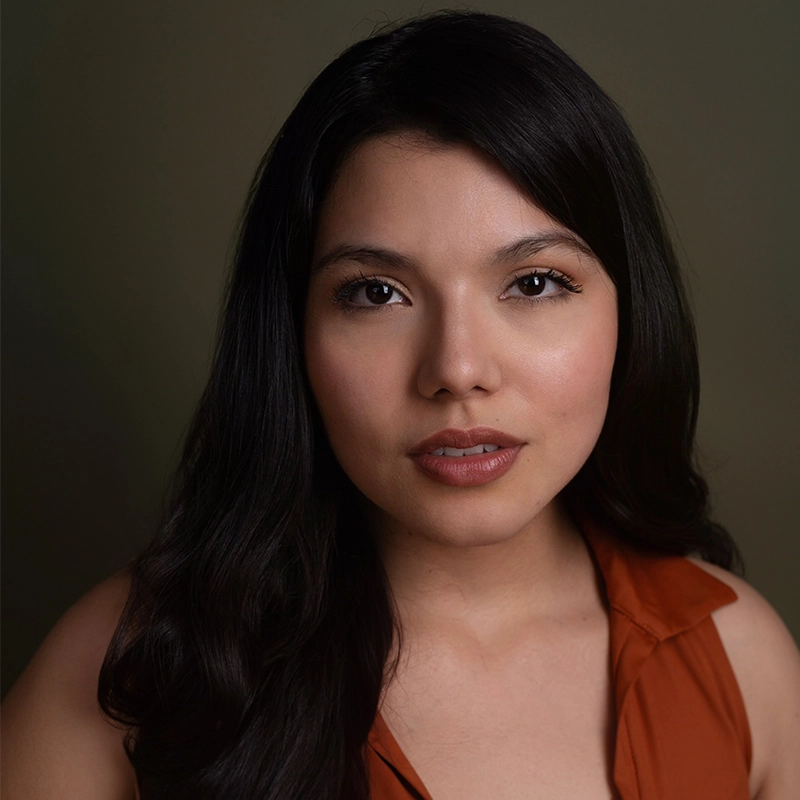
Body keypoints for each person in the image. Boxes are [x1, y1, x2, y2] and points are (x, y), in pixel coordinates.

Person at [2, 10, 799, 800]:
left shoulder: (739, 660)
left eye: (534, 283)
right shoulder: (136, 671)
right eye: (376, 293)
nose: (457, 369)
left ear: (630, 309)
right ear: (292, 331)